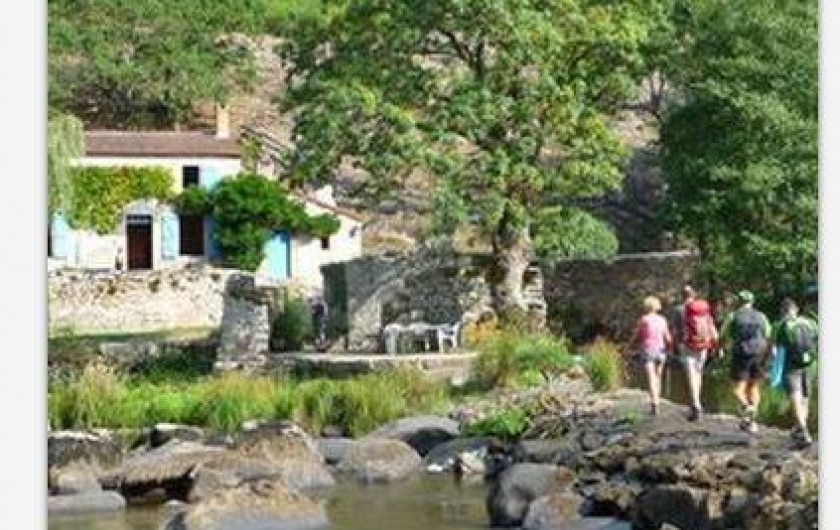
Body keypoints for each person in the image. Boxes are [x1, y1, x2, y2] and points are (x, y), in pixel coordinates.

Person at [719, 290, 772, 434]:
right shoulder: (762, 316)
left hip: (741, 354)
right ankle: (751, 421)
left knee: (737, 389)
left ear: (738, 302)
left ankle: (746, 407)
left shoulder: (733, 316)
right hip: (759, 354)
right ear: (752, 302)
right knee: (754, 387)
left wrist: (721, 348)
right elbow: (768, 335)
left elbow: (723, 335)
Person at [772, 298, 818, 447]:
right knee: (805, 395)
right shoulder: (809, 322)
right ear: (796, 310)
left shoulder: (782, 325)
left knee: (795, 394)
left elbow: (775, 347)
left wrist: (767, 365)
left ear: (782, 311)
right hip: (809, 363)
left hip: (791, 364)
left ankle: (803, 430)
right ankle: (800, 426)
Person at [677, 285, 718, 422]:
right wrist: (716, 346)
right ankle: (697, 401)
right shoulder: (704, 310)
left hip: (688, 345)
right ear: (693, 295)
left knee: (691, 374)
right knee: (698, 372)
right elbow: (713, 330)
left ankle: (695, 403)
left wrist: (676, 345)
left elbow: (678, 330)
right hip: (703, 345)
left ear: (682, 295)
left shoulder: (680, 310)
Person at [632, 296, 672, 416]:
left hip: (648, 350)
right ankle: (657, 399)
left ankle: (654, 403)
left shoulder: (644, 320)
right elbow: (668, 338)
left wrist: (631, 345)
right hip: (661, 351)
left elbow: (637, 335)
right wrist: (669, 349)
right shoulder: (662, 320)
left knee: (651, 377)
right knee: (658, 377)